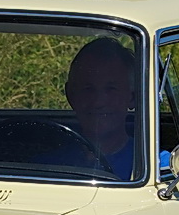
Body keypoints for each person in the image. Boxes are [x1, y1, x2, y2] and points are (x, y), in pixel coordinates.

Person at [59, 36, 139, 178]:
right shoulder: (48, 167)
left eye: (111, 89)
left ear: (132, 97)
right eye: (88, 89)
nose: (98, 102)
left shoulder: (160, 167)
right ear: (70, 95)